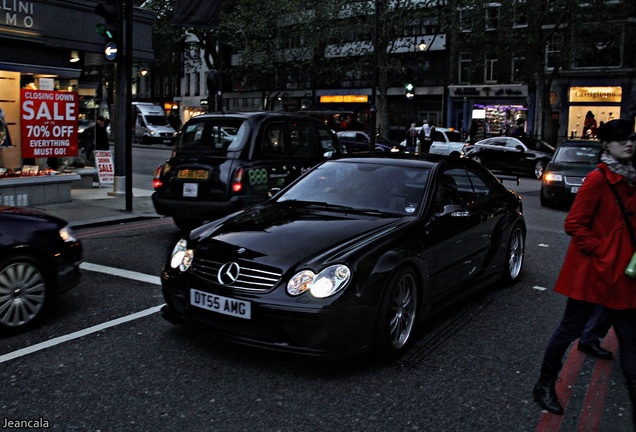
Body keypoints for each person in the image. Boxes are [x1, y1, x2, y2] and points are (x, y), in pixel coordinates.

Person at [532, 119, 636, 428]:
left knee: (631, 343)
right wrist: (606, 251)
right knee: (568, 330)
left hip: (624, 278)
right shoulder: (597, 180)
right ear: (607, 145)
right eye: (620, 140)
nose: (628, 144)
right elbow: (573, 225)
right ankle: (544, 384)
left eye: (630, 138)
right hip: (593, 274)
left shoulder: (632, 179)